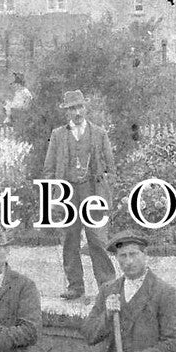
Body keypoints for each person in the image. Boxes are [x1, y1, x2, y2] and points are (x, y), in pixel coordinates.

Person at [42, 89, 117, 300]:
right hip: (68, 194)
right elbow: (49, 169)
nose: (77, 112)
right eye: (72, 108)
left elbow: (111, 167)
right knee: (70, 239)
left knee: (97, 239)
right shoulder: (58, 135)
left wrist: (105, 190)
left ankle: (107, 284)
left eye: (80, 107)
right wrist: (54, 195)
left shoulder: (99, 133)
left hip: (92, 192)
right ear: (66, 112)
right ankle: (75, 286)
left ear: (85, 108)